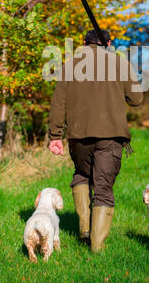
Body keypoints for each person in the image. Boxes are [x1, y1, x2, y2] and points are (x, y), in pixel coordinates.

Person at [48, 29, 143, 253]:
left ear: (84, 43)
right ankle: (96, 249)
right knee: (103, 187)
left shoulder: (70, 65)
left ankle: (84, 231)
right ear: (108, 43)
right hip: (110, 137)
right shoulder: (119, 64)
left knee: (82, 174)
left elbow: (58, 104)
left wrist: (55, 136)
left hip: (78, 137)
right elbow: (136, 99)